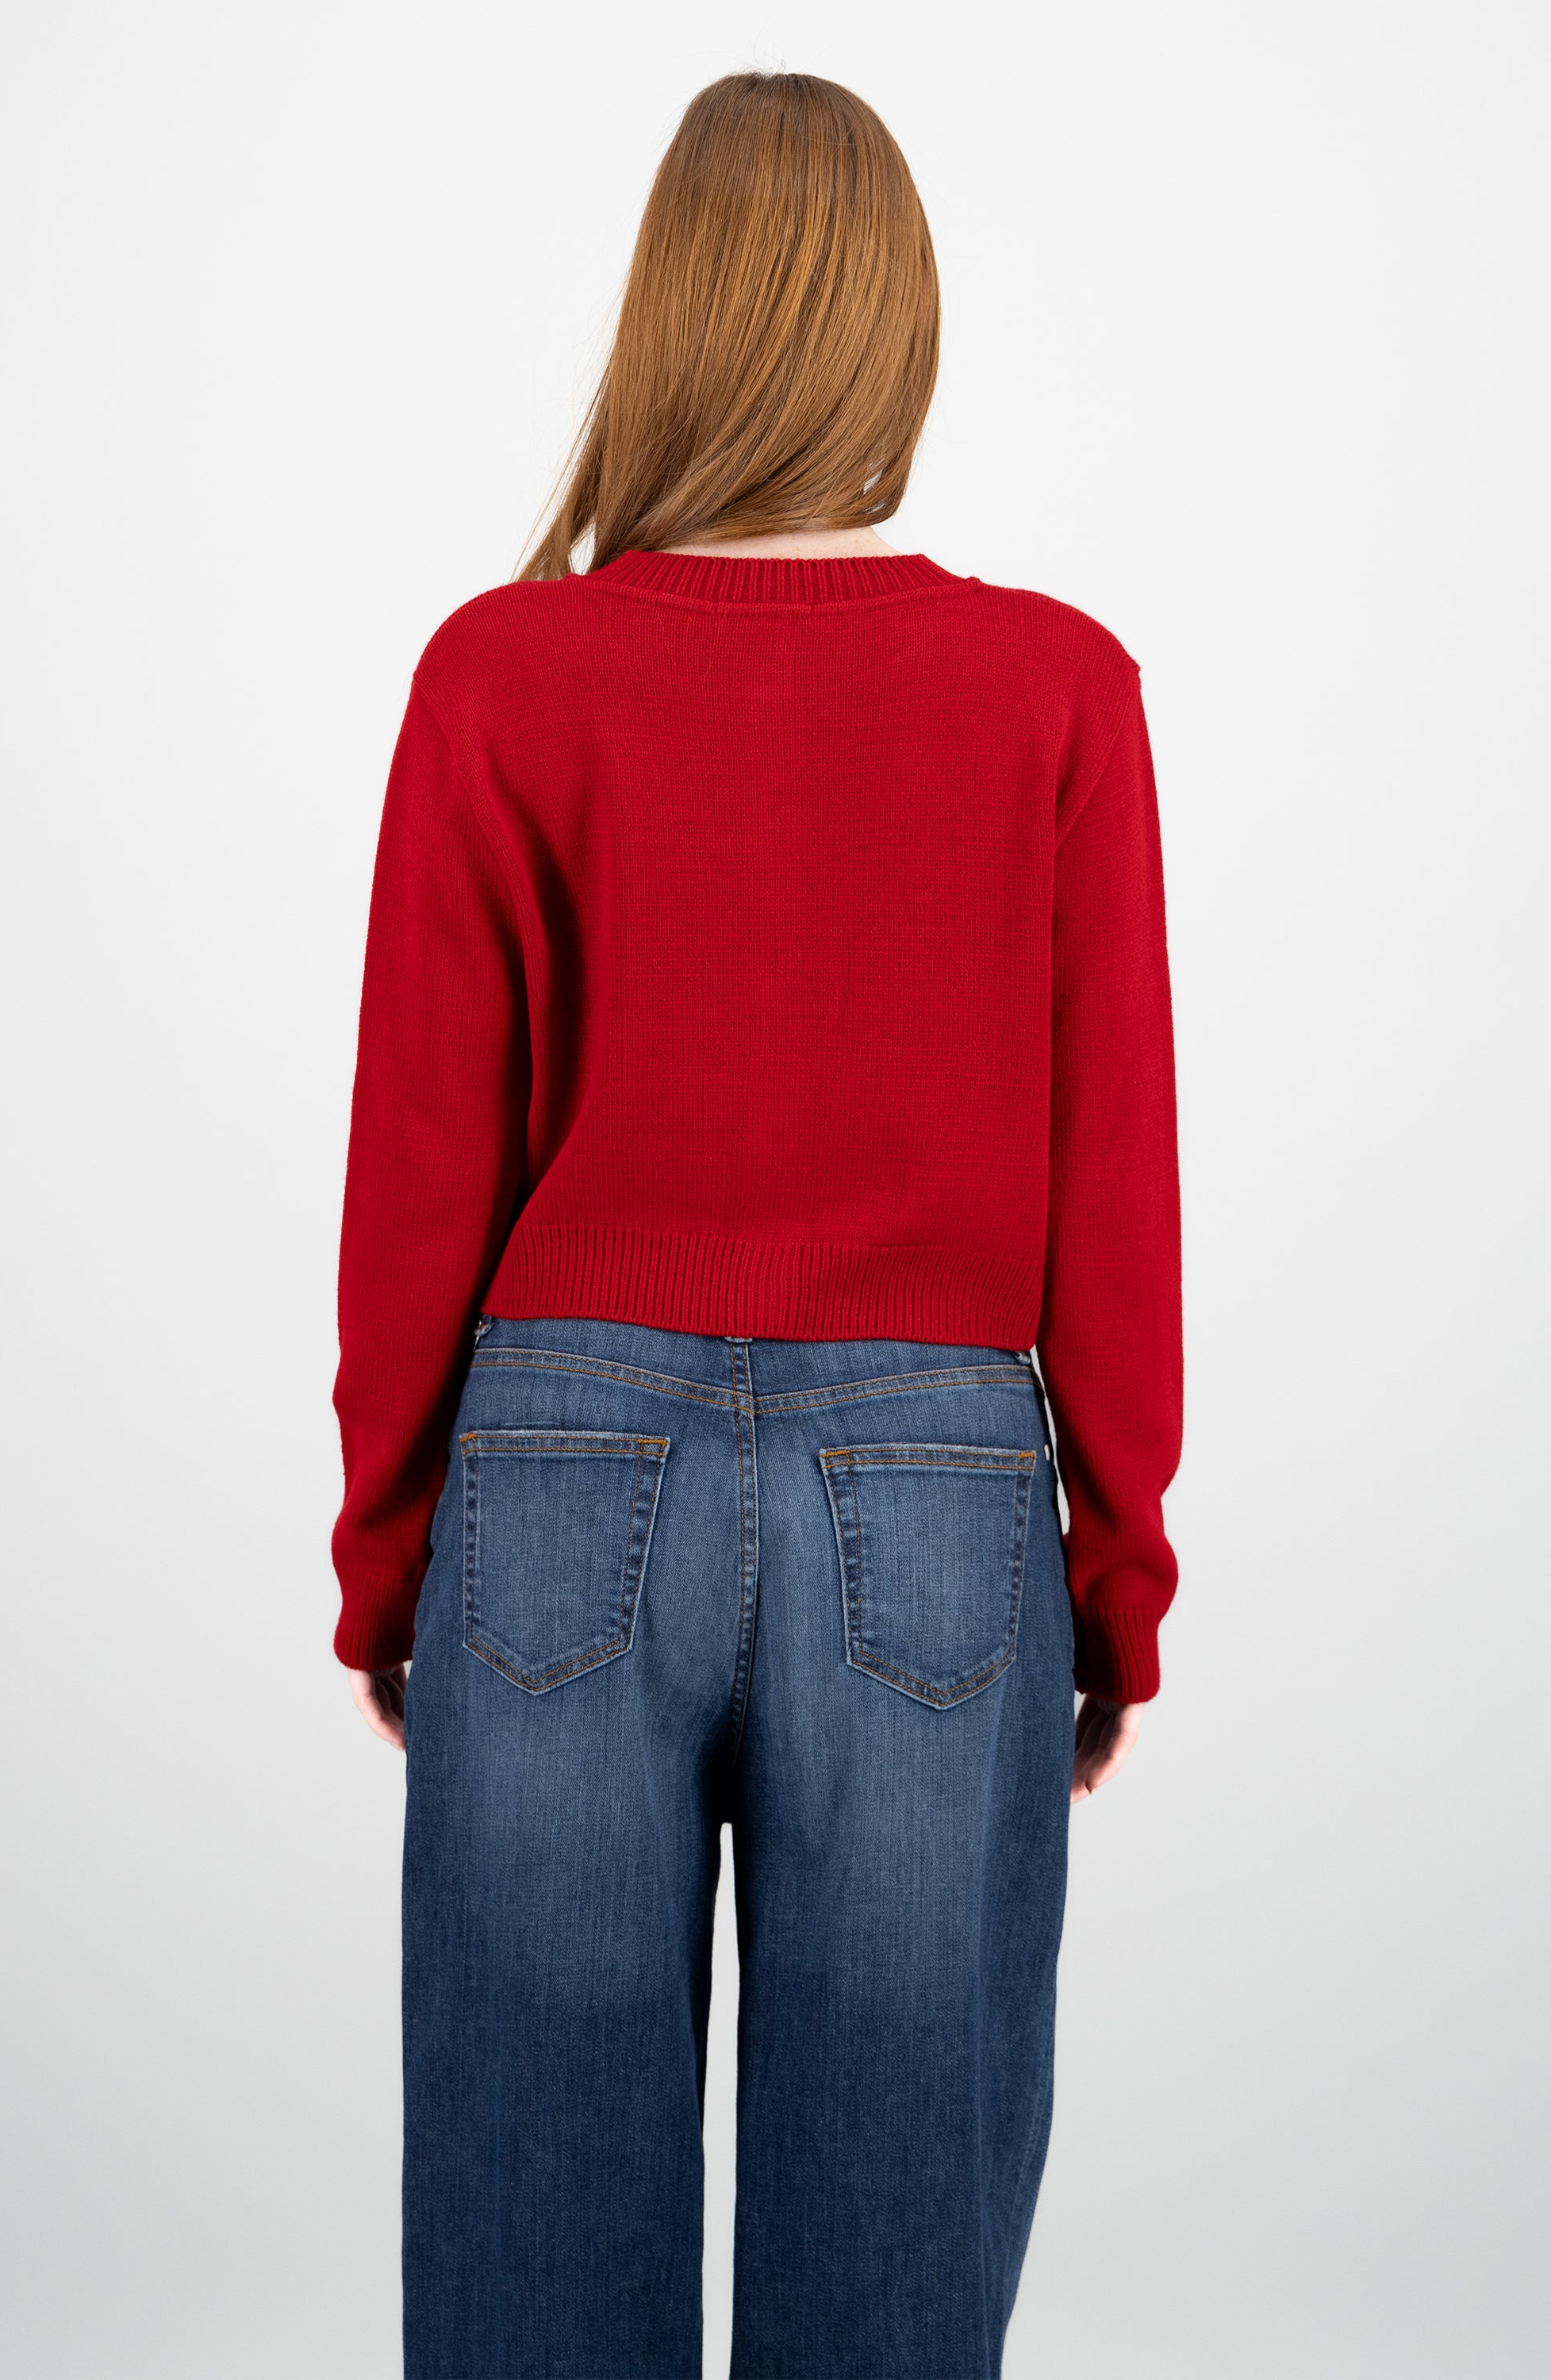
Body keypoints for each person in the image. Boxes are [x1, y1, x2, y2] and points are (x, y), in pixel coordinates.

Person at [331, 67, 1181, 2380]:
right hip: (936, 1505)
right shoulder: (1057, 691)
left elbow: (418, 1170)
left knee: (530, 2248)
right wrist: (1114, 1576)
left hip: (554, 1494)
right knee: (894, 2273)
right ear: (900, 333)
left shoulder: (503, 673)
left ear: (668, 323)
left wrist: (394, 1555)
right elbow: (1117, 1188)